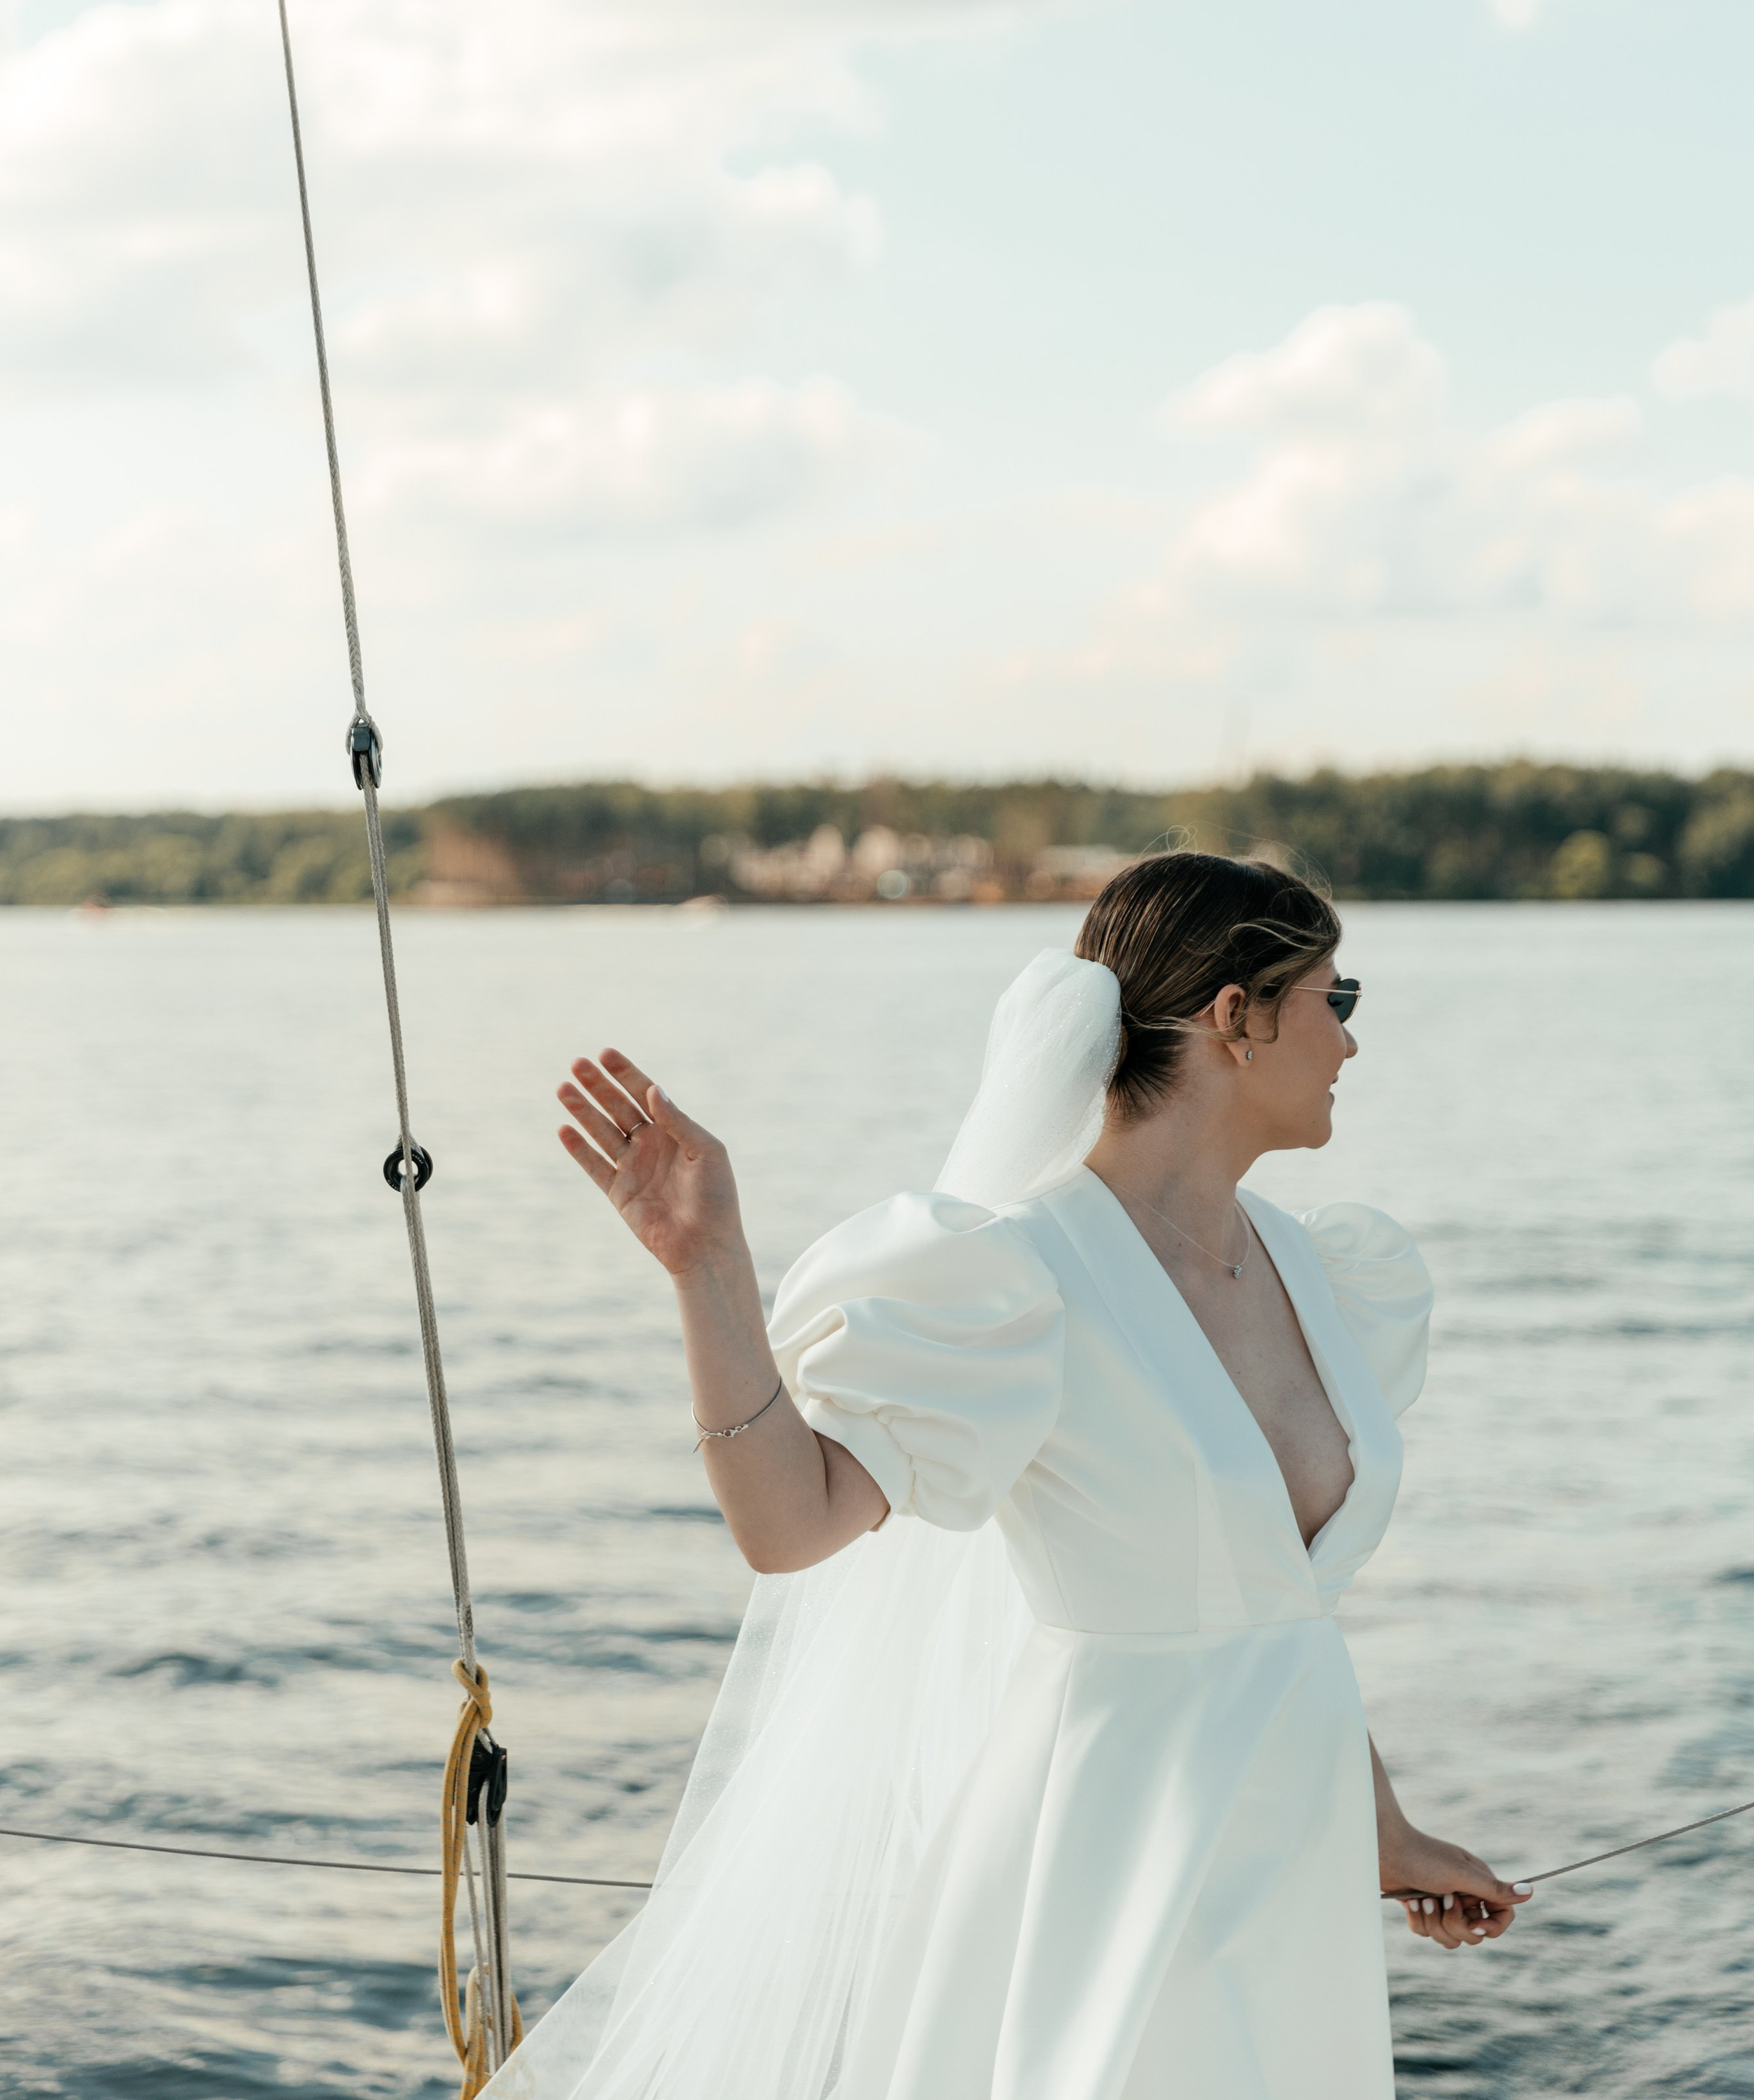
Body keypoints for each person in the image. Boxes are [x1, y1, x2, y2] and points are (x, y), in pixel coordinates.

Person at [491, 851, 1528, 2100]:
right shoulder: (1023, 1277)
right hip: (1106, 1871)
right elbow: (790, 1519)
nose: (1352, 1043)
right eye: (1334, 998)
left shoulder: (1324, 1271)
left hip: (1286, 1873)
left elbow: (1279, 1606)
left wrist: (1384, 1832)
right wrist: (709, 1269)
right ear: (1236, 1016)